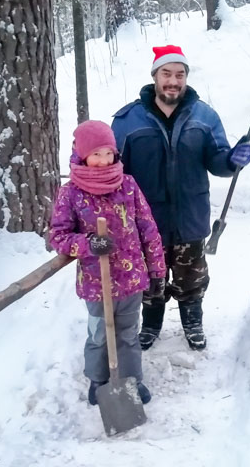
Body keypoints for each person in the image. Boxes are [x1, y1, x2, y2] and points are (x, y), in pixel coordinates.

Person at [111, 45, 250, 352]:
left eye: (180, 74)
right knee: (151, 280)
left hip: (190, 216)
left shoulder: (204, 117)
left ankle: (193, 322)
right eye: (167, 74)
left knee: (192, 276)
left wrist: (232, 160)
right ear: (154, 77)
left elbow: (217, 160)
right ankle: (151, 323)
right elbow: (114, 170)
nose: (173, 81)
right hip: (146, 221)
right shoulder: (127, 120)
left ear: (186, 79)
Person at [49, 120, 166, 406]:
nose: (103, 161)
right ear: (82, 154)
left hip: (131, 280)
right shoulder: (71, 193)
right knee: (100, 333)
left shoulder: (127, 184)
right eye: (96, 154)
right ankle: (99, 379)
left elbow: (146, 226)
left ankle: (132, 380)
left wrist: (157, 267)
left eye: (108, 153)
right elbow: (58, 236)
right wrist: (89, 244)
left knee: (127, 334)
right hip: (95, 282)